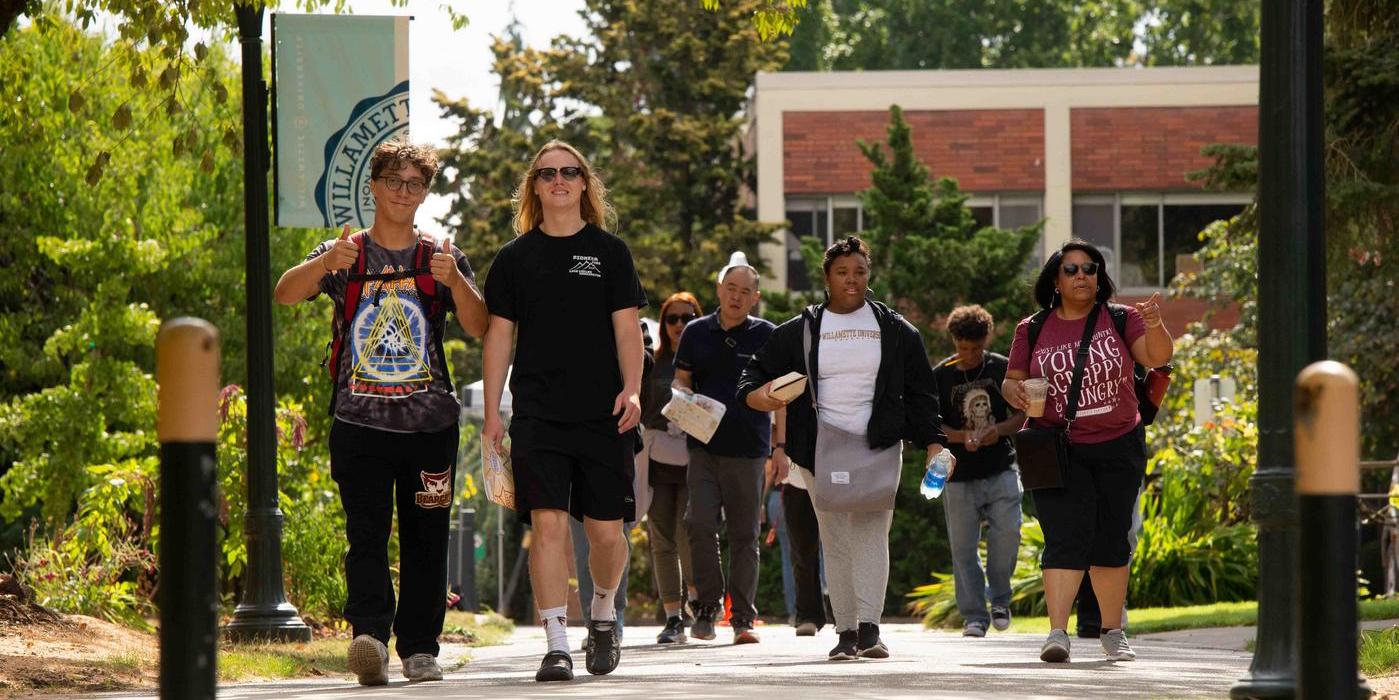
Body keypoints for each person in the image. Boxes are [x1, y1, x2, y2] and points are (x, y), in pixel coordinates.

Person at [272, 140, 488, 686]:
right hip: (358, 425)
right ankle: (368, 638)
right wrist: (326, 262)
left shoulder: (441, 254)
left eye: (415, 184)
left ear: (425, 193)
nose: (403, 192)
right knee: (364, 533)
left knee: (427, 537)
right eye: (394, 181)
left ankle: (420, 649)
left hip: (430, 428)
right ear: (373, 186)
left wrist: (454, 279)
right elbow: (284, 293)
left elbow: (481, 324)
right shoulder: (345, 251)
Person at [480, 140, 648, 682]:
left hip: (605, 415)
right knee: (547, 526)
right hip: (538, 417)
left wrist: (634, 389)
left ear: (583, 183)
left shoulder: (609, 253)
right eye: (547, 172)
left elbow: (629, 332)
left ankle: (602, 613)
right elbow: (498, 338)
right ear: (534, 185)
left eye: (569, 172)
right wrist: (491, 414)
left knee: (605, 534)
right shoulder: (513, 259)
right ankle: (555, 643)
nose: (558, 180)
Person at [740, 235, 950, 660]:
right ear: (826, 278)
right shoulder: (803, 328)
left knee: (873, 532)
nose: (851, 280)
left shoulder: (894, 329)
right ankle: (846, 632)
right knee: (834, 537)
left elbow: (922, 392)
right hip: (821, 446)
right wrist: (764, 397)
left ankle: (871, 630)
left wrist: (933, 443)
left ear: (869, 275)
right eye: (842, 272)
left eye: (859, 271)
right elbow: (753, 376)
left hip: (880, 442)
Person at [1002, 239, 1173, 663]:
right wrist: (1019, 394)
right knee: (1064, 536)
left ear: (1100, 278)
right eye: (1072, 269)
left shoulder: (1121, 318)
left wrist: (1154, 323)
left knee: (1112, 538)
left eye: (1090, 269)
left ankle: (1112, 632)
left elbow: (1157, 355)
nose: (1083, 276)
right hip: (1057, 446)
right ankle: (1057, 634)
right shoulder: (1033, 328)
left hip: (1119, 443)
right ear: (1056, 281)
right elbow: (1011, 380)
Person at [673, 251, 777, 645]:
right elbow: (682, 379)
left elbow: (781, 393)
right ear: (719, 289)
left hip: (750, 449)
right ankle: (706, 608)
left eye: (745, 291)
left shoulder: (767, 335)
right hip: (702, 445)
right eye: (730, 288)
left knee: (745, 535)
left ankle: (743, 620)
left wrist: (779, 447)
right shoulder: (696, 332)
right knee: (698, 522)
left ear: (755, 297)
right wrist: (682, 398)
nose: (736, 296)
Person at [931, 305, 1024, 638]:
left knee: (1008, 534)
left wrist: (997, 430)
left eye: (975, 348)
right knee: (963, 548)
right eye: (962, 348)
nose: (968, 355)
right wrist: (961, 437)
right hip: (958, 475)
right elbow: (931, 424)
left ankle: (1000, 599)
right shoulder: (941, 375)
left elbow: (1022, 414)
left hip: (1000, 467)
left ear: (986, 341)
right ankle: (974, 616)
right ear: (954, 342)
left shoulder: (1002, 369)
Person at [643, 292, 704, 643]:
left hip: (695, 461)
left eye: (688, 317)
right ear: (664, 323)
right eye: (673, 318)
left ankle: (698, 600)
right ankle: (672, 617)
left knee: (687, 534)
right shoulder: (653, 360)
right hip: (655, 462)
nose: (680, 324)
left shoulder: (704, 358)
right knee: (661, 539)